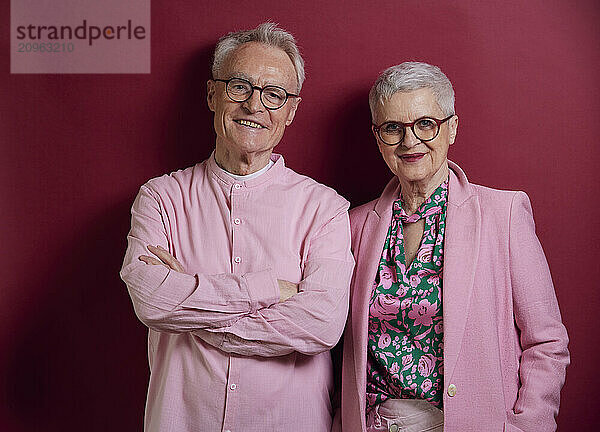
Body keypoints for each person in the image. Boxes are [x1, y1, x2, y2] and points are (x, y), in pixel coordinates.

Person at [120, 23, 354, 432]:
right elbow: (152, 302)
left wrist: (192, 303)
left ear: (291, 110)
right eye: (239, 86)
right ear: (213, 94)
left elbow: (322, 325)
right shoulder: (160, 198)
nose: (254, 105)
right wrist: (269, 290)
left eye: (274, 94)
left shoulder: (325, 208)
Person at [337, 62, 569, 432]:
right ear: (377, 137)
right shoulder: (354, 225)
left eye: (425, 124)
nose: (409, 141)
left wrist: (528, 427)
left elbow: (547, 343)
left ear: (452, 128)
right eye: (393, 128)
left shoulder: (503, 214)